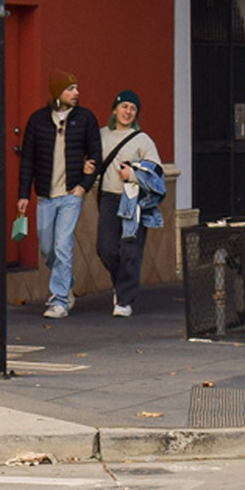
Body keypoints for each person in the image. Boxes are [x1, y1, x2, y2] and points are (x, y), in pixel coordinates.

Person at [16, 70, 100, 319]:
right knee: (47, 248)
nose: (76, 93)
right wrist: (24, 194)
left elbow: (96, 154)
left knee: (63, 245)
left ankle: (60, 300)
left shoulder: (85, 118)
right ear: (57, 92)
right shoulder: (38, 120)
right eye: (70, 89)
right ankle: (67, 282)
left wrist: (83, 186)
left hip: (71, 195)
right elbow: (28, 159)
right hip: (45, 196)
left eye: (76, 88)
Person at [93, 89, 164, 318]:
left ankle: (124, 301)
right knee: (105, 249)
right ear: (115, 110)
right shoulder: (102, 135)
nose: (128, 112)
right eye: (124, 106)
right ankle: (121, 284)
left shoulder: (143, 140)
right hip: (108, 198)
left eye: (133, 109)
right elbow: (92, 160)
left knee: (131, 251)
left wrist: (132, 175)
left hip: (134, 200)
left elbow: (156, 173)